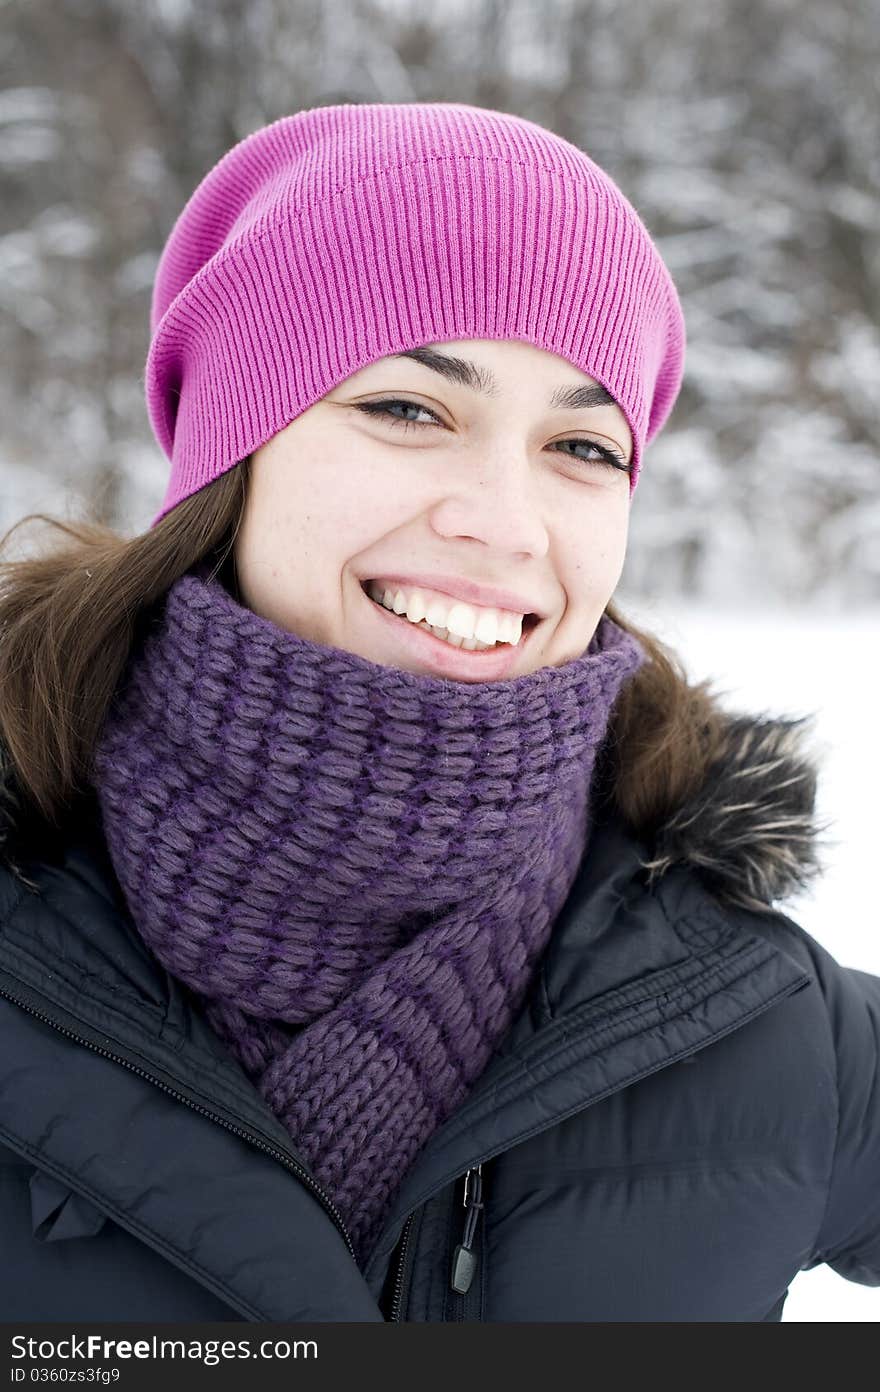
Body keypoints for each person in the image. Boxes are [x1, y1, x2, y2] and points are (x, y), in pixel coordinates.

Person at [0, 101, 877, 1324]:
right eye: (409, 411)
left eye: (581, 446)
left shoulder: (761, 1026)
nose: (504, 521)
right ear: (231, 456)